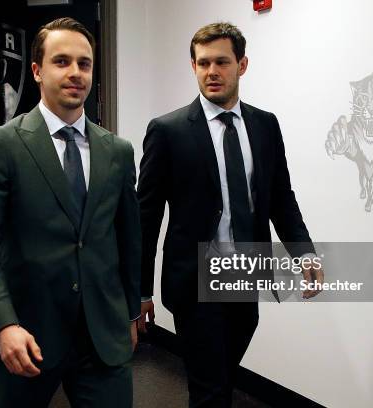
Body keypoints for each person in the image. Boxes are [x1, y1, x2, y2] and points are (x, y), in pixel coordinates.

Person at [137, 22, 324, 407]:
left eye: (221, 62)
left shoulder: (265, 125)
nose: (211, 72)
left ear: (242, 64)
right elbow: (147, 217)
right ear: (193, 66)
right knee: (210, 389)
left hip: (245, 274)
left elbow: (280, 197)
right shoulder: (168, 131)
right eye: (202, 63)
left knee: (220, 380)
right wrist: (139, 291)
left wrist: (303, 251)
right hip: (193, 282)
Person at [0, 17, 141, 408]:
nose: (75, 73)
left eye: (85, 63)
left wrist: (129, 312)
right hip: (27, 336)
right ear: (38, 71)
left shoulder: (118, 151)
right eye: (62, 61)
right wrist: (2, 323)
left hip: (102, 339)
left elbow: (128, 238)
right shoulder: (1, 145)